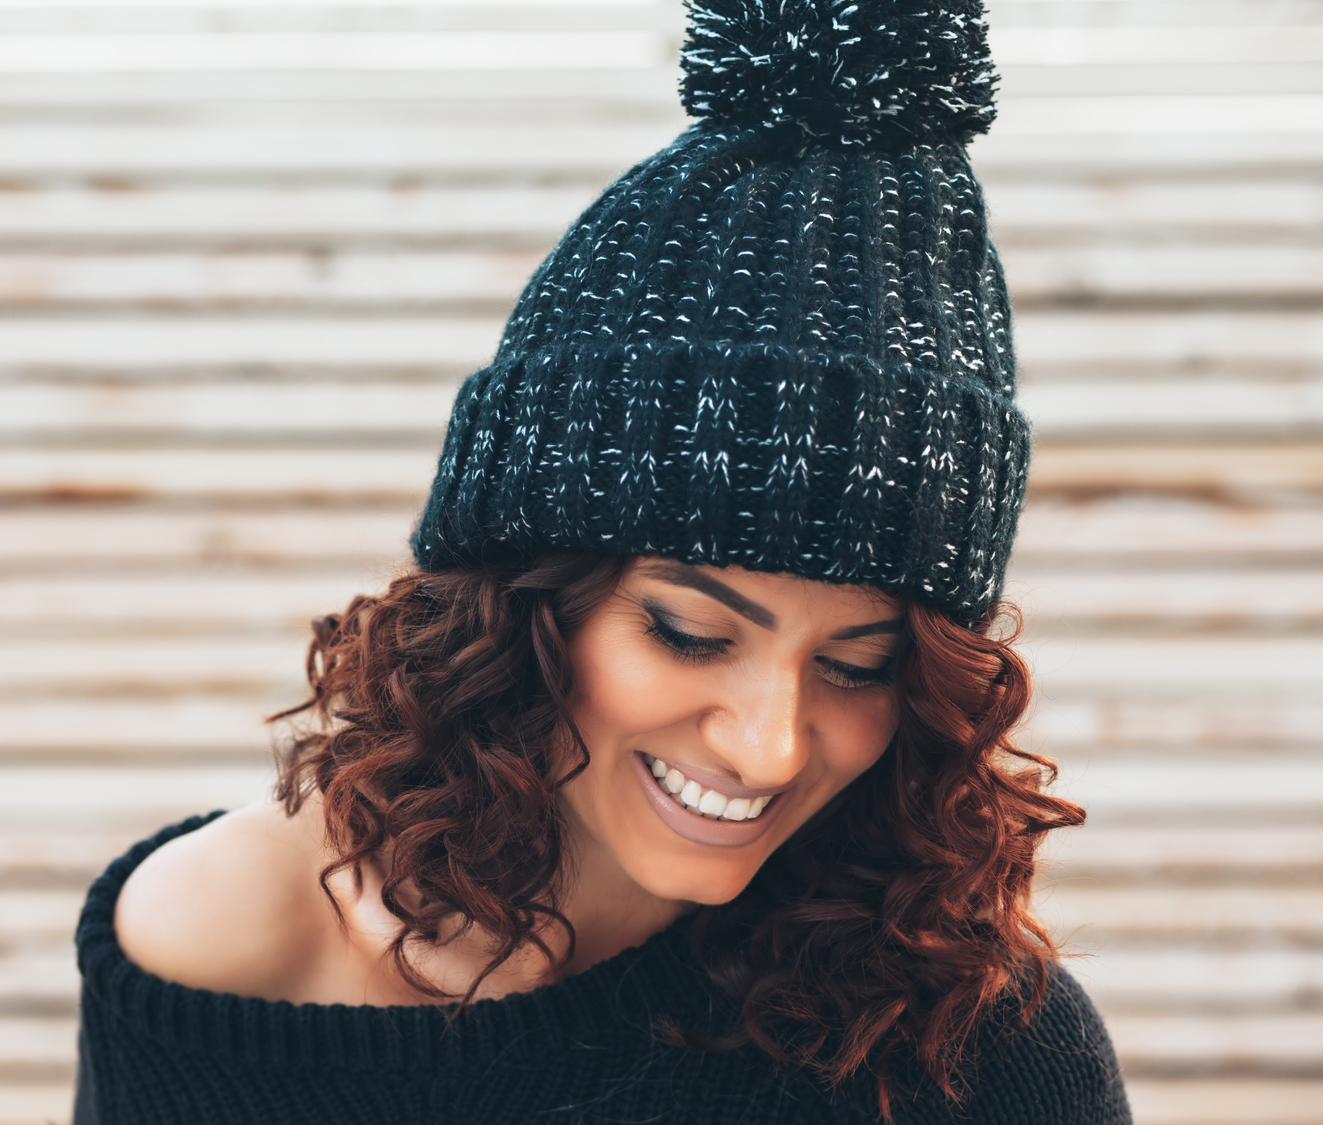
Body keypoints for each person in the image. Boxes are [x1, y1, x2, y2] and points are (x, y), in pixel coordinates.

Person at [72, 1, 1132, 1121]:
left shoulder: (972, 1049)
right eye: (687, 633)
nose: (764, 747)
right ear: (526, 608)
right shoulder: (214, 947)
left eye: (856, 664)